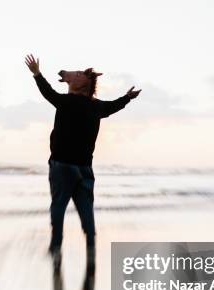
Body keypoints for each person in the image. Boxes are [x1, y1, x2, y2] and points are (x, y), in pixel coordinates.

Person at [24, 54, 141, 266]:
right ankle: (91, 248)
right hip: (85, 169)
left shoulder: (66, 101)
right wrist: (128, 98)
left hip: (62, 165)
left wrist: (37, 74)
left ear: (83, 85)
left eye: (78, 75)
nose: (75, 75)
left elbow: (47, 92)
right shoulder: (96, 107)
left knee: (58, 206)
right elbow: (114, 106)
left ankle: (56, 247)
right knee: (86, 208)